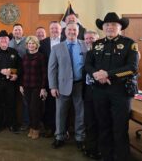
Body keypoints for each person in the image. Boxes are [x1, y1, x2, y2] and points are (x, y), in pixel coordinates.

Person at [85, 12, 139, 161]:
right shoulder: (97, 44)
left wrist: (107, 74)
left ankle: (122, 157)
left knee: (120, 128)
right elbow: (88, 64)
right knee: (103, 126)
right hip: (100, 92)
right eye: (107, 24)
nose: (110, 27)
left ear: (120, 27)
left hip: (120, 92)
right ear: (103, 27)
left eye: (113, 24)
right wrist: (96, 74)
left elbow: (132, 68)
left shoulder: (130, 44)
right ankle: (106, 156)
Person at [49, 22, 87, 150]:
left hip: (80, 86)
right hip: (61, 87)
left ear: (78, 31)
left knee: (80, 113)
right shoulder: (57, 48)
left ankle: (80, 138)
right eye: (69, 30)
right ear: (65, 32)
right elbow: (52, 69)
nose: (72, 32)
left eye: (74, 30)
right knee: (60, 113)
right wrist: (53, 86)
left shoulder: (84, 45)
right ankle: (59, 137)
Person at [0, 30, 21, 133]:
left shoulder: (14, 52)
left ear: (8, 41)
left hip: (11, 83)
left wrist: (16, 74)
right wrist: (0, 71)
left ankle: (12, 125)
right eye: (1, 39)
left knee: (11, 104)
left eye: (5, 39)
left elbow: (20, 66)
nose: (3, 40)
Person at [19, 36, 47, 139]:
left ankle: (36, 129)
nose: (31, 45)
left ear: (37, 45)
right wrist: (21, 85)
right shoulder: (25, 57)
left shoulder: (41, 56)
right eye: (29, 43)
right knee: (29, 109)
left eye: (33, 43)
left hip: (37, 87)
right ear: (27, 45)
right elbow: (22, 72)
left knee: (35, 109)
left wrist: (43, 88)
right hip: (26, 86)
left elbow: (44, 73)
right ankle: (31, 127)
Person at [39, 21, 63, 137]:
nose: (54, 30)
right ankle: (50, 128)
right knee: (49, 105)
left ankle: (63, 129)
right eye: (52, 28)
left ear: (61, 30)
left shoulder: (66, 41)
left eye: (56, 28)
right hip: (48, 78)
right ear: (49, 30)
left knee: (63, 105)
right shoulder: (42, 43)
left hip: (63, 78)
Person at [82, 30, 101, 159]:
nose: (89, 41)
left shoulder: (103, 54)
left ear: (98, 39)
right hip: (87, 90)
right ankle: (90, 146)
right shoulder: (86, 52)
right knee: (89, 120)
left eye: (92, 39)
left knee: (100, 120)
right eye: (87, 39)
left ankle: (98, 148)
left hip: (101, 91)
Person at [8, 23, 28, 130]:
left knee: (25, 100)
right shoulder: (9, 42)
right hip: (12, 75)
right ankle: (13, 122)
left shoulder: (28, 41)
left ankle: (26, 122)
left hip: (26, 75)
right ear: (12, 32)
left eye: (19, 30)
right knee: (12, 99)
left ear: (22, 31)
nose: (17, 32)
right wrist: (13, 74)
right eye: (15, 30)